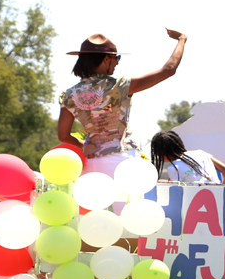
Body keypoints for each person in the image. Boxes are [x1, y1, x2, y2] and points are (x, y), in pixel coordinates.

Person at [57, 29, 188, 177]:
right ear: (106, 59)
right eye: (116, 58)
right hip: (123, 161)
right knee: (128, 201)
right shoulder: (120, 86)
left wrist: (90, 146)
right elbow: (168, 70)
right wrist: (182, 40)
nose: (117, 63)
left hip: (91, 164)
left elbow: (63, 136)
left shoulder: (68, 95)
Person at [150, 131, 225, 184]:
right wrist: (223, 190)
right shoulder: (201, 153)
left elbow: (178, 191)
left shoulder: (173, 168)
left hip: (199, 205)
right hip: (218, 198)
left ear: (160, 152)